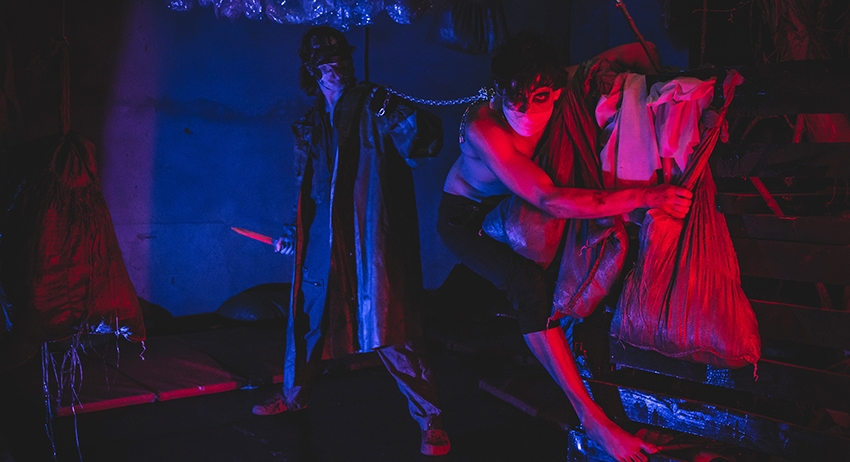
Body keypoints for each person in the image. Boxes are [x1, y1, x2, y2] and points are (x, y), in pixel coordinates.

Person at [437, 32, 692, 462]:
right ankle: (593, 420)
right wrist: (647, 196)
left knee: (577, 268)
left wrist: (660, 85)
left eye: (539, 97)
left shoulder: (561, 83)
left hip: (516, 206)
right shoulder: (484, 126)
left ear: (555, 89)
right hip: (467, 218)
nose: (525, 110)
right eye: (514, 98)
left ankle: (609, 395)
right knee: (528, 285)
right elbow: (548, 199)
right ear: (498, 91)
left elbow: (642, 50)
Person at [251, 26, 450, 457]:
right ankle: (294, 395)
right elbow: (307, 186)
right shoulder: (309, 125)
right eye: (327, 63)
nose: (337, 68)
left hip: (369, 235)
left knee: (391, 324)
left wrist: (394, 110)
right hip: (323, 238)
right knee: (307, 319)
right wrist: (293, 231)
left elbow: (426, 141)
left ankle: (429, 417)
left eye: (341, 59)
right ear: (312, 71)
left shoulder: (375, 104)